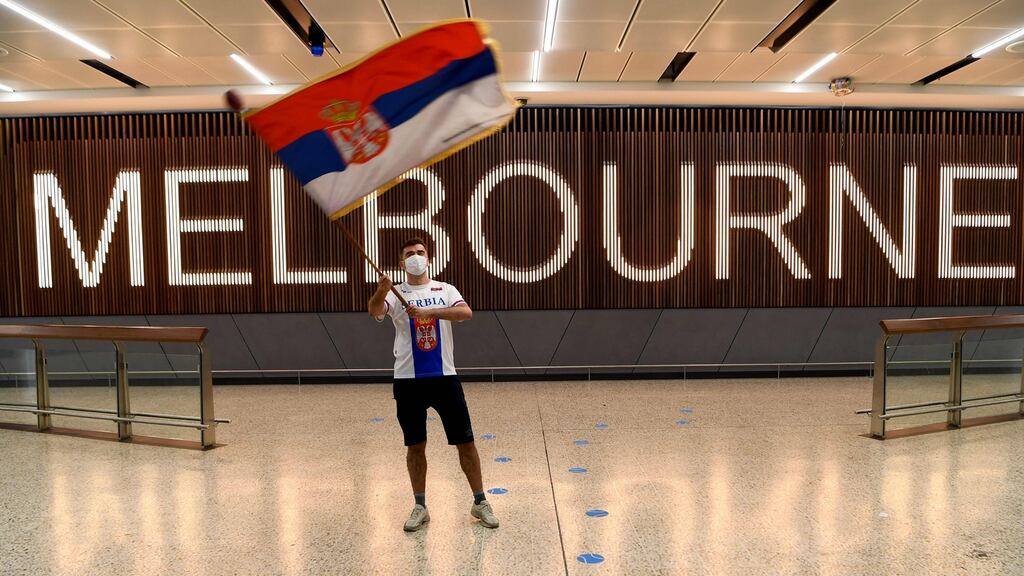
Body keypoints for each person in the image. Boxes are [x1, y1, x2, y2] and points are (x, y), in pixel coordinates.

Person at [368, 237, 499, 532]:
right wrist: (380, 291)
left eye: (420, 253)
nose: (416, 257)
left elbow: (465, 313)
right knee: (415, 446)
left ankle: (480, 501)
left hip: (444, 378)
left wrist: (431, 312)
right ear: (402, 264)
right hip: (407, 380)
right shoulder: (396, 293)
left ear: (428, 258)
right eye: (409, 254)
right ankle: (420, 505)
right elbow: (374, 311)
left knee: (465, 441)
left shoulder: (444, 290)